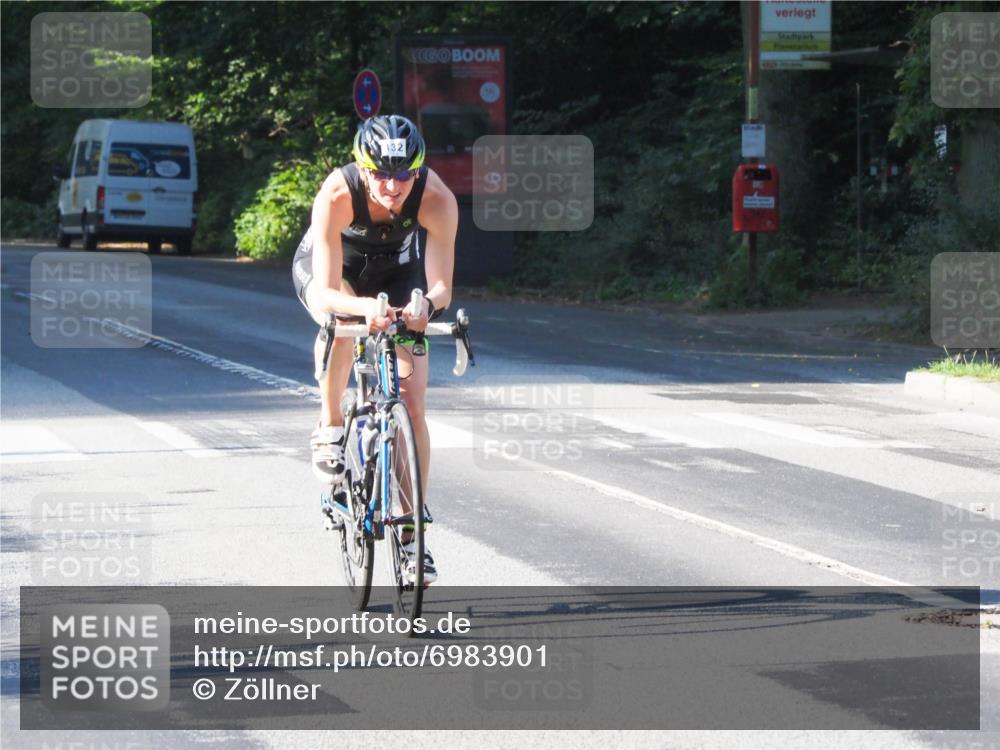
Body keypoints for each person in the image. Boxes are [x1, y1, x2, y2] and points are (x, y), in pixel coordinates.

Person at [291, 115, 457, 583]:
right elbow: (324, 291)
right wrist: (362, 309)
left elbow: (442, 284)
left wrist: (428, 305)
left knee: (413, 400)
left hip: (396, 273)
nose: (393, 185)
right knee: (343, 320)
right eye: (382, 174)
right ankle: (329, 425)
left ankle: (411, 534)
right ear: (363, 169)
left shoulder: (438, 198)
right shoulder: (338, 194)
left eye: (404, 175)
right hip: (336, 272)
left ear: (417, 172)